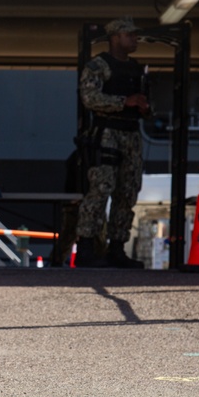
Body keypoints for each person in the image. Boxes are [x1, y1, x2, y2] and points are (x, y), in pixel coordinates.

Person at [75, 16, 149, 268]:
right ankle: (86, 245)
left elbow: (143, 97)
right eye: (130, 35)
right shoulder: (98, 65)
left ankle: (117, 247)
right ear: (115, 37)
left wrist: (143, 106)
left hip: (132, 134)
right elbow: (89, 97)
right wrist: (123, 102)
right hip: (106, 133)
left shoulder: (137, 68)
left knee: (128, 191)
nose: (135, 39)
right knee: (101, 189)